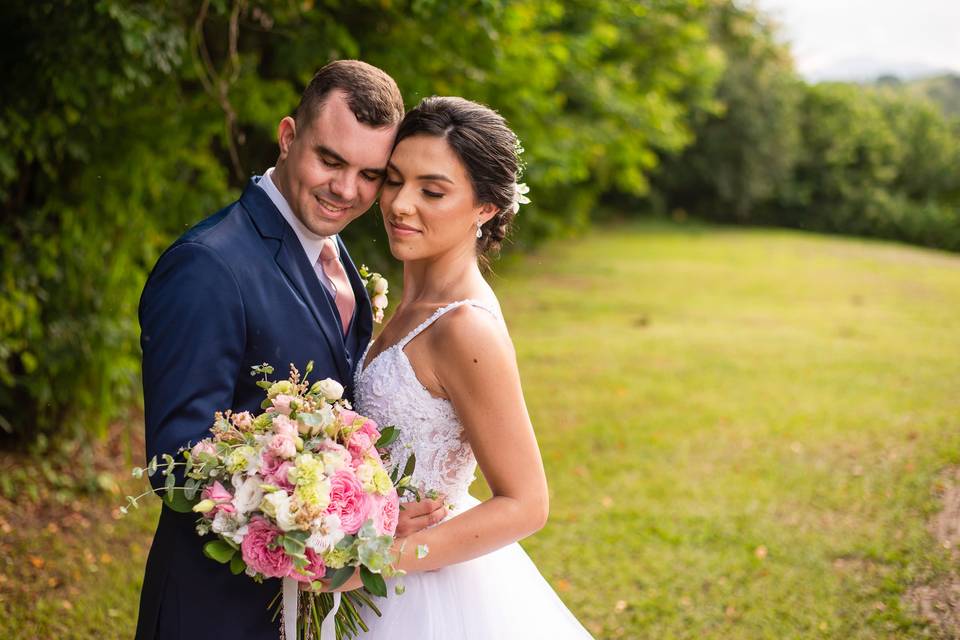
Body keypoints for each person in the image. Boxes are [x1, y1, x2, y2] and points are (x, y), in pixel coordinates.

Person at [135, 60, 446, 640]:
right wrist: (341, 528)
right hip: (216, 612)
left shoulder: (334, 254)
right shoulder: (208, 265)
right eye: (329, 160)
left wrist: (368, 510)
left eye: (369, 173)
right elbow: (176, 465)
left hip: (309, 610)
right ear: (287, 137)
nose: (345, 190)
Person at [347, 96, 593, 638]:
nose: (400, 204)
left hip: (416, 593)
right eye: (393, 180)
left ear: (485, 208)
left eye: (432, 191)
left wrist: (367, 560)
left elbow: (526, 503)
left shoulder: (464, 328)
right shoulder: (390, 301)